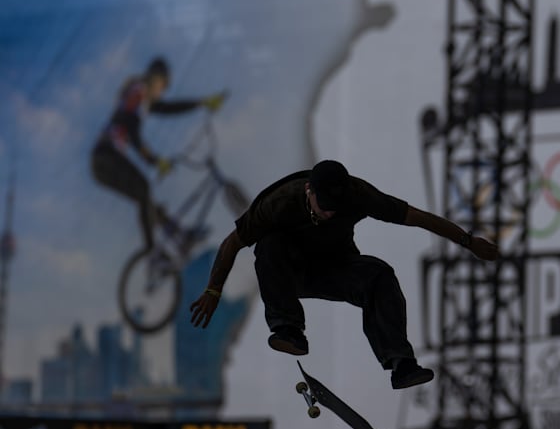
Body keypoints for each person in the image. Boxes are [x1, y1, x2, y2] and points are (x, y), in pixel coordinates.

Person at [188, 160, 499, 389]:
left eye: (335, 208)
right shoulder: (279, 202)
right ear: (309, 190)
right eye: (323, 207)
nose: (329, 213)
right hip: (291, 273)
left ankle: (401, 364)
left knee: (379, 274)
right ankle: (288, 329)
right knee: (269, 245)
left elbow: (417, 217)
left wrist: (468, 242)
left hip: (336, 268)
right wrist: (213, 291)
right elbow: (232, 243)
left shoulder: (359, 195)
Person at [91, 56, 226, 251]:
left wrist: (201, 103)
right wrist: (153, 159)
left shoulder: (142, 98)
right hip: (105, 155)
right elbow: (131, 128)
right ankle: (152, 253)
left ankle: (180, 235)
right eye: (164, 86)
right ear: (156, 78)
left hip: (102, 161)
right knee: (144, 189)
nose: (163, 91)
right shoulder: (139, 90)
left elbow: (168, 108)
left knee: (145, 200)